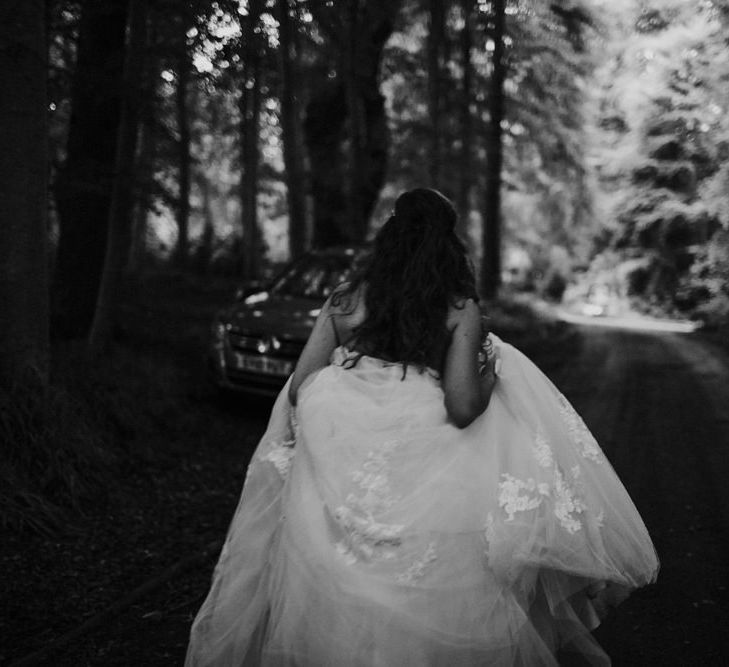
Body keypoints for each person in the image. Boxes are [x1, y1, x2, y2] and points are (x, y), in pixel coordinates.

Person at [185, 188, 658, 666]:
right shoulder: (457, 309)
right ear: (447, 243)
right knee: (423, 564)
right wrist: (489, 380)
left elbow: (299, 387)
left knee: (339, 569)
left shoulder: (345, 302)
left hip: (347, 461)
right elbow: (461, 406)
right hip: (428, 460)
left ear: (389, 237)